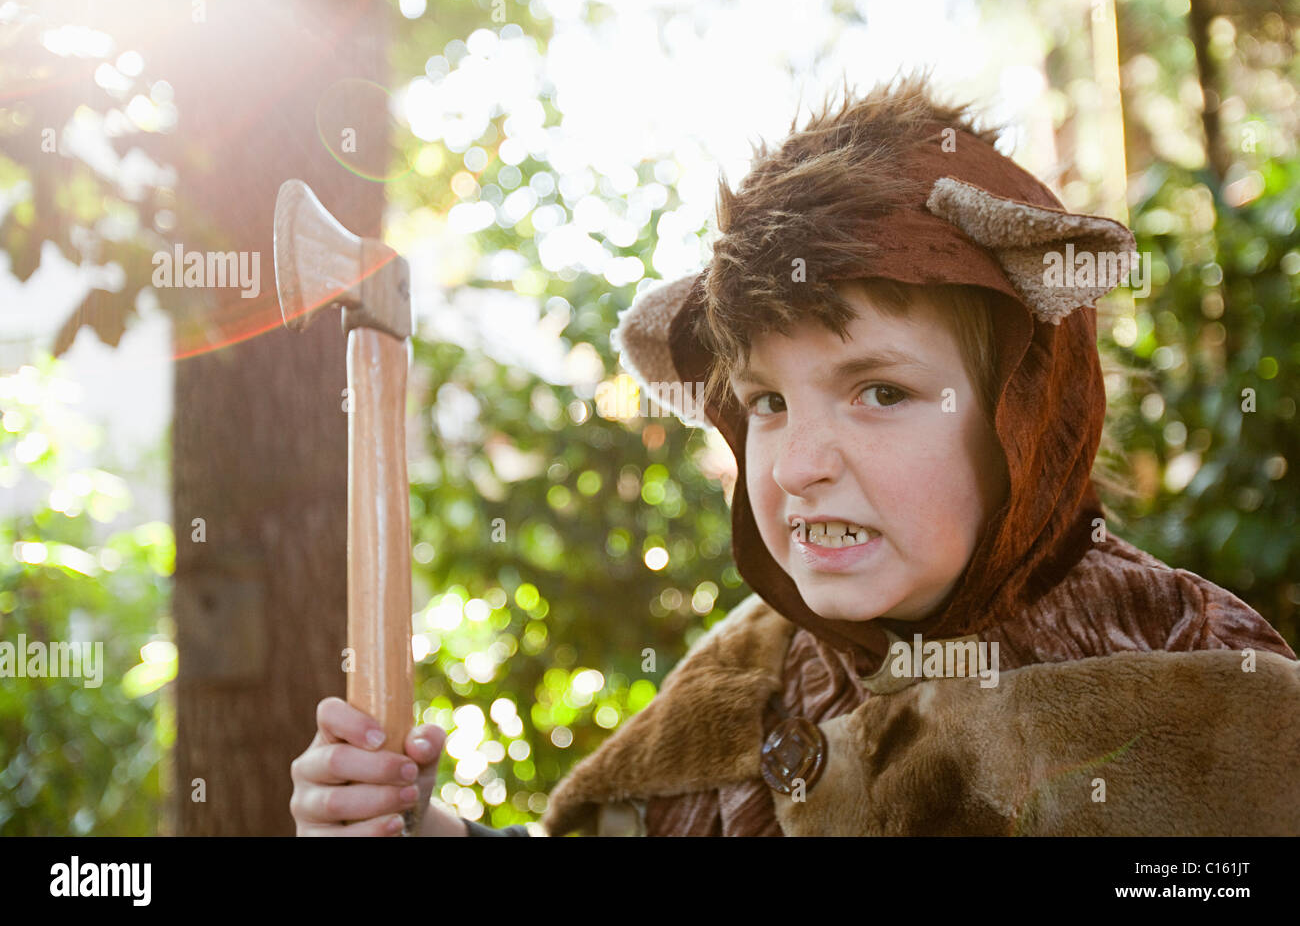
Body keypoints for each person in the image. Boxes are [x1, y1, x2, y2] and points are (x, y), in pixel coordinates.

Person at [289, 72, 1297, 837]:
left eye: (880, 391)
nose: (796, 462)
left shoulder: (1192, 671)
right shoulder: (740, 685)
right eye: (766, 401)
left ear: (1028, 416)